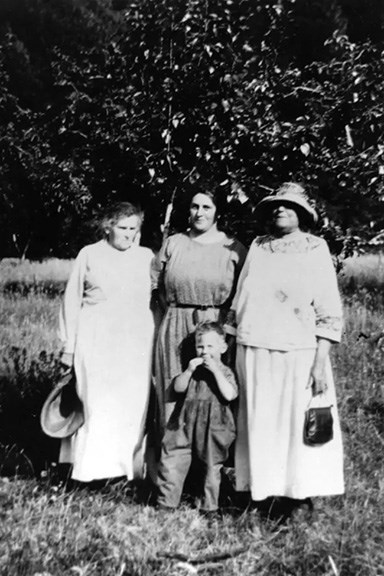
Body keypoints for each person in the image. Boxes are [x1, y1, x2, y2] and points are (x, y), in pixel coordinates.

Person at [227, 182, 344, 513]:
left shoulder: (315, 248)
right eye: (276, 205)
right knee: (260, 421)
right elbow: (241, 297)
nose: (280, 210)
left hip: (299, 351)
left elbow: (328, 307)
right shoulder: (259, 246)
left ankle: (296, 493)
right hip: (254, 347)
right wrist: (231, 339)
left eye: (289, 206)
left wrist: (320, 362)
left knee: (297, 422)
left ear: (303, 214)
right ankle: (262, 492)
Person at [59, 202, 154, 483]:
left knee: (133, 403)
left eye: (133, 229)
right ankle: (93, 471)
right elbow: (71, 300)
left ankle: (126, 470)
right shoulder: (89, 254)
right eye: (122, 228)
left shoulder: (146, 257)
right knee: (97, 401)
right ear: (107, 227)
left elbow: (156, 299)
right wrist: (68, 345)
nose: (128, 234)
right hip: (97, 337)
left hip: (136, 341)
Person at [151, 184, 247, 439]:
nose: (199, 213)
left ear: (217, 212)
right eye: (195, 206)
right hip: (174, 326)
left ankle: (208, 468)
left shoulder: (233, 248)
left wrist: (227, 333)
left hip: (215, 329)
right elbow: (155, 289)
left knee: (211, 394)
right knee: (173, 392)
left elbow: (244, 296)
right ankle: (171, 468)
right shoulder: (174, 243)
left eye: (207, 207)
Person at [157, 321, 237, 512]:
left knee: (211, 466)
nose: (204, 351)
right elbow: (178, 388)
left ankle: (209, 506)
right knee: (173, 458)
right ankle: (167, 502)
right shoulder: (193, 371)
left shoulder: (225, 372)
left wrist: (216, 370)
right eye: (200, 346)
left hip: (214, 425)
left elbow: (230, 394)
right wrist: (189, 370)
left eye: (210, 346)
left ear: (223, 348)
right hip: (186, 422)